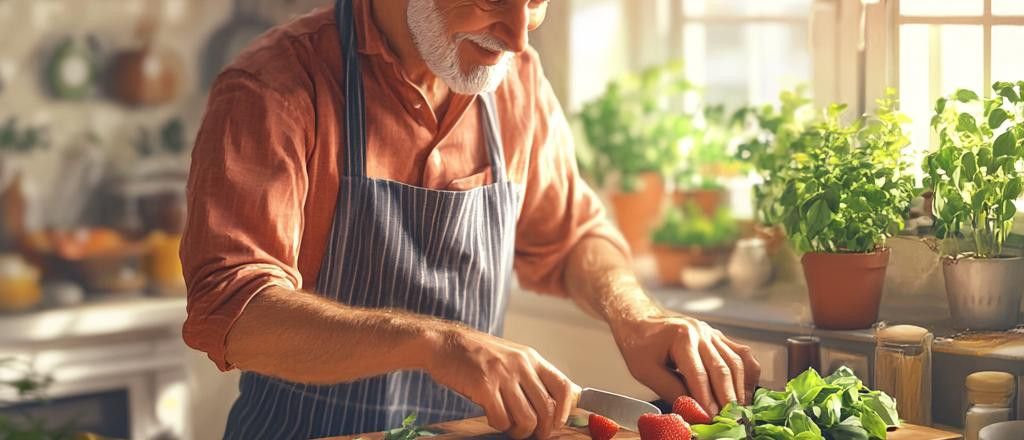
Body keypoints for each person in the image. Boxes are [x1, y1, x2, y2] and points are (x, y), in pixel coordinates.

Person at [181, 0, 760, 438]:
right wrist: (438, 343)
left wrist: (637, 317)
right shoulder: (275, 87)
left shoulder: (517, 80)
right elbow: (236, 309)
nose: (515, 36)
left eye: (534, 1)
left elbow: (571, 236)